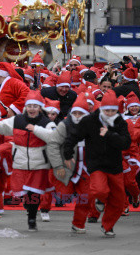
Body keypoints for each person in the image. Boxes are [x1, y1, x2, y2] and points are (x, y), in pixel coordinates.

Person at [63, 90, 131, 237]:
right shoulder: (90, 121)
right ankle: (99, 202)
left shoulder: (120, 122)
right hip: (96, 164)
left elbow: (126, 143)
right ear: (101, 108)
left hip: (115, 166)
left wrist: (109, 135)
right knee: (99, 190)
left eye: (113, 111)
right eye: (107, 110)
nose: (110, 113)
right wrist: (67, 154)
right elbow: (74, 136)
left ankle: (107, 226)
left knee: (119, 201)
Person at [0, 91, 56, 232]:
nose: (32, 109)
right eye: (29, 106)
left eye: (35, 106)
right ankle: (30, 208)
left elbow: (54, 137)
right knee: (24, 192)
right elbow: (4, 127)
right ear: (25, 107)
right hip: (20, 162)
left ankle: (31, 217)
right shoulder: (18, 120)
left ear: (40, 108)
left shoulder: (46, 123)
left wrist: (36, 130)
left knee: (34, 192)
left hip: (39, 163)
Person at [46, 94, 96, 234]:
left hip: (86, 167)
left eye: (81, 113)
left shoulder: (93, 125)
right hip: (66, 166)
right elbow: (53, 145)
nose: (78, 116)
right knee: (63, 195)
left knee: (86, 196)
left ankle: (78, 223)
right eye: (75, 112)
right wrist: (57, 165)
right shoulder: (65, 125)